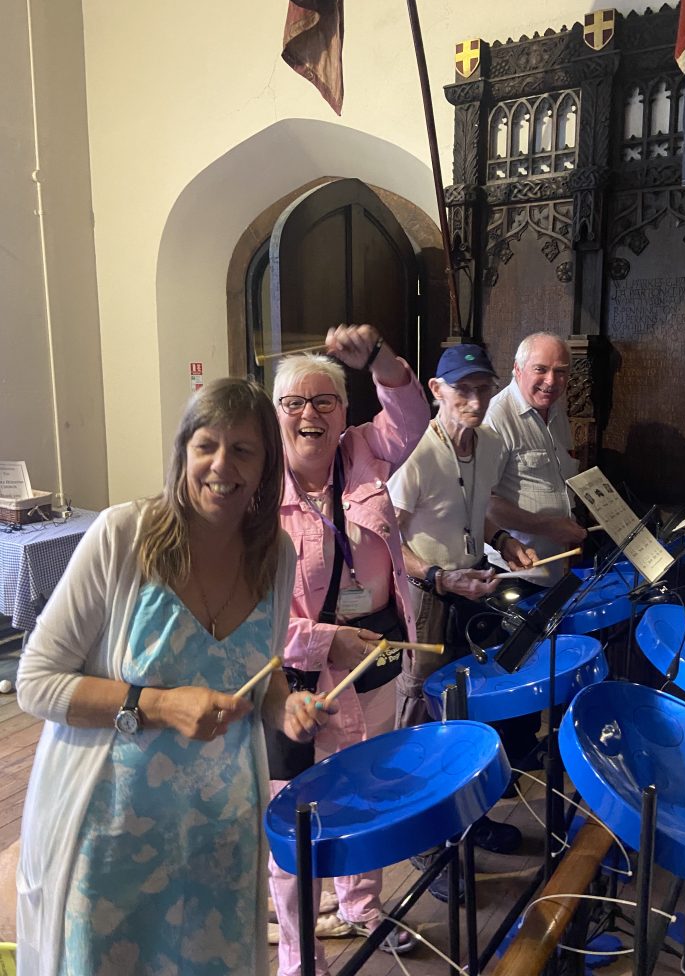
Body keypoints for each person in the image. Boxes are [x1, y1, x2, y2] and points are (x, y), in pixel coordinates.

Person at [15, 378, 334, 976]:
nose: (221, 465)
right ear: (182, 450)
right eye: (205, 445)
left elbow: (260, 674)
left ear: (267, 465)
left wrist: (284, 707)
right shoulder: (123, 537)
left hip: (220, 839)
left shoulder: (276, 556)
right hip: (112, 838)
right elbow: (36, 680)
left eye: (243, 450)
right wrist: (157, 705)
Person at [268, 324, 430, 976]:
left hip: (380, 653)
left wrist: (381, 361)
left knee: (367, 789)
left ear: (344, 411)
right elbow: (250, 614)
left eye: (325, 401)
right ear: (277, 412)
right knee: (295, 813)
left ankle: (362, 908)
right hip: (297, 676)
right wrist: (325, 637)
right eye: (295, 403)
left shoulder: (367, 451)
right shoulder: (255, 493)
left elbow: (414, 419)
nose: (310, 414)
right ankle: (297, 954)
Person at [387, 343, 538, 878]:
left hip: (476, 579)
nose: (474, 400)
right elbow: (387, 542)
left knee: (474, 708)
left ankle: (471, 820)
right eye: (462, 389)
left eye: (483, 388)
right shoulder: (413, 454)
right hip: (428, 592)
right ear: (436, 390)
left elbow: (474, 513)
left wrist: (506, 541)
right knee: (424, 714)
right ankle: (426, 842)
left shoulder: (491, 444)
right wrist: (438, 577)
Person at [485, 331, 586, 586]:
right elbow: (484, 503)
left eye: (560, 372)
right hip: (514, 569)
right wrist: (549, 526)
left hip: (554, 564)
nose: (551, 381)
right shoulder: (496, 418)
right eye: (540, 369)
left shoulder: (556, 411)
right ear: (518, 370)